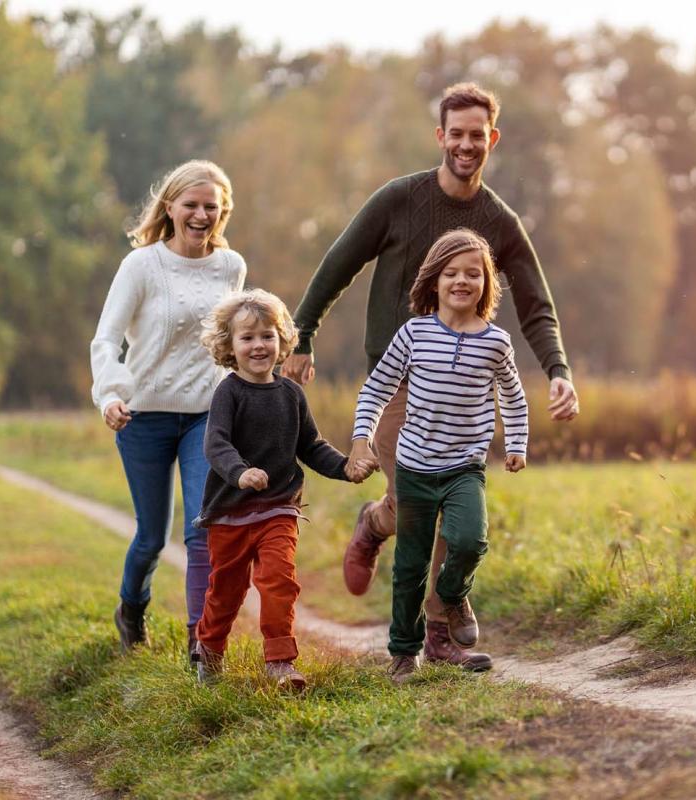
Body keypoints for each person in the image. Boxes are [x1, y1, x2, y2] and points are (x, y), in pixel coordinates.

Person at [282, 82, 579, 671]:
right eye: (457, 134)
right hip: (399, 379)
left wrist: (558, 370)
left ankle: (438, 632)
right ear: (440, 136)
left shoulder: (499, 221)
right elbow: (338, 263)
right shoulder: (398, 199)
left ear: (491, 140)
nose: (466, 145)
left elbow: (534, 303)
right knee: (417, 501)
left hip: (465, 389)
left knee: (454, 505)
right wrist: (303, 333)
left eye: (478, 136)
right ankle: (376, 526)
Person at [351, 229, 527, 684]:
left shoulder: (496, 342)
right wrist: (360, 438)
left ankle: (452, 595)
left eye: (474, 273)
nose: (462, 281)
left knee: (470, 540)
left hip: (465, 466)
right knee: (410, 563)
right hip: (414, 468)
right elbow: (377, 388)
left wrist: (517, 444)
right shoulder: (414, 333)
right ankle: (404, 653)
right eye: (451, 273)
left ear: (487, 283)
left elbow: (513, 396)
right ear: (434, 280)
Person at [91, 160, 246, 657]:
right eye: (191, 205)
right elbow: (107, 337)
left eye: (210, 207)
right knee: (151, 538)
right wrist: (111, 394)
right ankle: (131, 608)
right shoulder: (141, 265)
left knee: (202, 531)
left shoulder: (230, 266)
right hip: (143, 416)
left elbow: (231, 340)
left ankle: (202, 643)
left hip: (207, 414)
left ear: (222, 212)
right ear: (171, 207)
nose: (201, 215)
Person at [191, 289, 375, 688]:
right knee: (227, 591)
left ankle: (280, 661)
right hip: (231, 512)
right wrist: (239, 472)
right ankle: (208, 648)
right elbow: (216, 444)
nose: (259, 345)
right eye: (247, 337)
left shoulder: (291, 394)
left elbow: (310, 446)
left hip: (278, 508)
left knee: (279, 580)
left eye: (267, 336)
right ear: (229, 346)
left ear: (282, 341)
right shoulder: (228, 393)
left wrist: (346, 467)